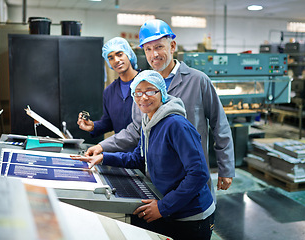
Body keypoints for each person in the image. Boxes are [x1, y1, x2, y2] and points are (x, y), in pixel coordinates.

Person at [86, 19, 235, 193]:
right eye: (148, 49)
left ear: (172, 46)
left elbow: (220, 125)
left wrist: (226, 167)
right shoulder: (141, 85)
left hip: (191, 176)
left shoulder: (198, 81)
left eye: (159, 47)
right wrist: (103, 146)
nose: (153, 54)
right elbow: (135, 129)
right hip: (156, 178)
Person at [71, 70, 215, 240]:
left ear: (162, 92)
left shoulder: (176, 125)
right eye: (138, 92)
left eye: (150, 91)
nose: (143, 97)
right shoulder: (149, 121)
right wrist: (104, 157)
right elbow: (138, 158)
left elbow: (198, 174)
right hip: (169, 205)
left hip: (191, 216)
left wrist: (162, 207)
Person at [77, 37, 139, 139]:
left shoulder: (146, 83)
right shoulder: (110, 91)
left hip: (145, 150)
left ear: (129, 54)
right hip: (120, 150)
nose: (116, 60)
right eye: (111, 58)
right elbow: (108, 122)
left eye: (120, 54)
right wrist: (93, 126)